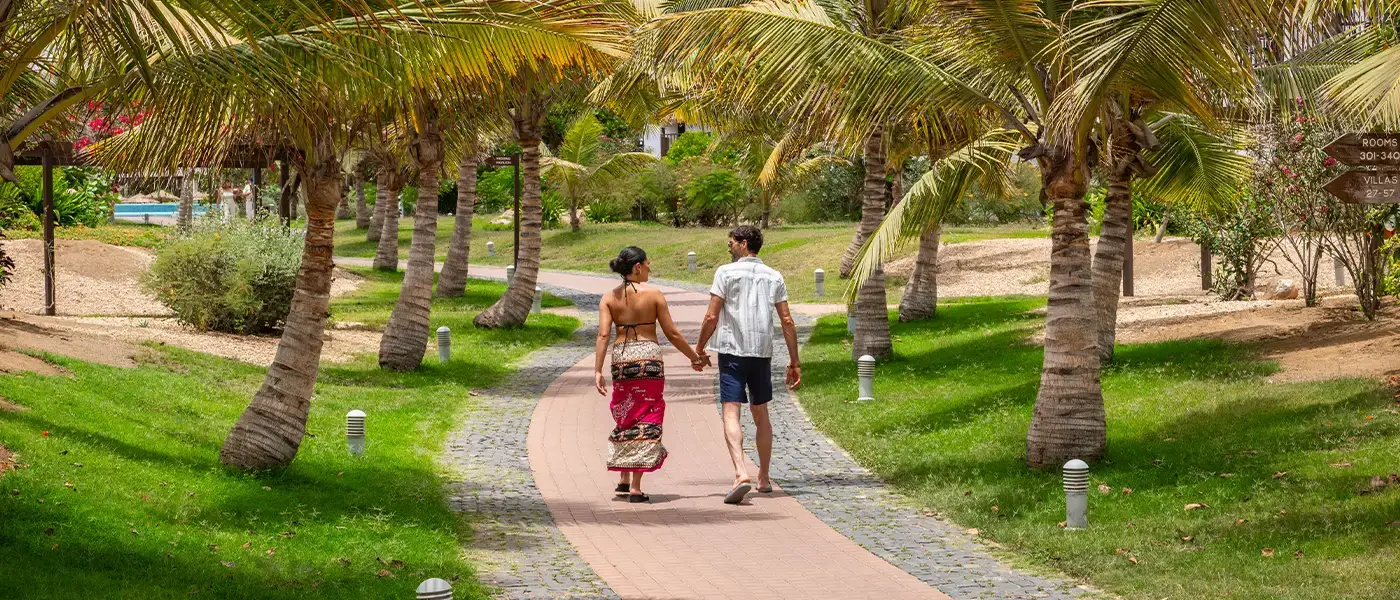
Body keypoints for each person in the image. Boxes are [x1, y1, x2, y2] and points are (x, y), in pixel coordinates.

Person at [695, 225, 801, 505]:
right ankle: (764, 477)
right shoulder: (774, 276)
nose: (729, 247)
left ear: (743, 244)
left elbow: (710, 316)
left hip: (731, 352)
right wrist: (794, 360)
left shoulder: (725, 273)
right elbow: (787, 320)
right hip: (762, 353)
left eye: (731, 242)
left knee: (731, 411)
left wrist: (700, 347)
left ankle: (741, 472)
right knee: (761, 412)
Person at [594, 246, 707, 503]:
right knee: (648, 414)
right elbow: (672, 333)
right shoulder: (654, 295)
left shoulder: (608, 298)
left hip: (622, 359)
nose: (649, 269)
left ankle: (623, 477)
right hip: (649, 359)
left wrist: (598, 370)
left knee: (626, 412)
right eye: (647, 265)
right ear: (637, 267)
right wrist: (694, 357)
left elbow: (603, 335)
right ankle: (635, 486)